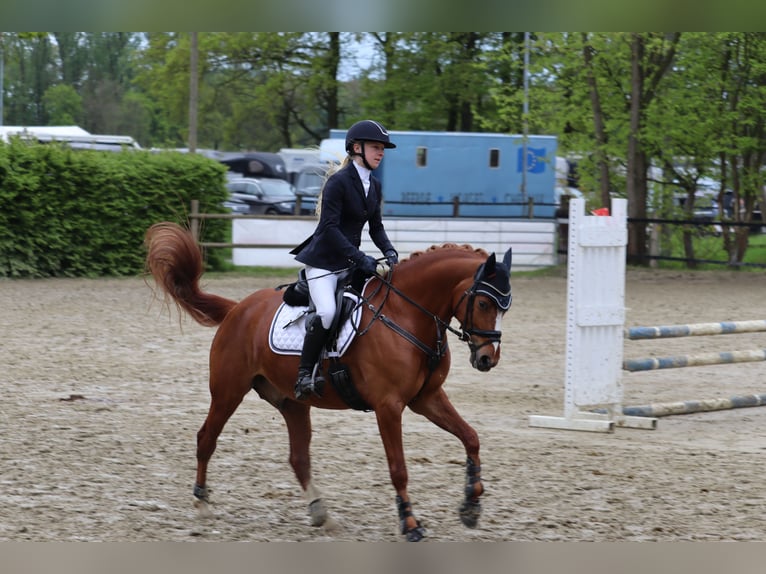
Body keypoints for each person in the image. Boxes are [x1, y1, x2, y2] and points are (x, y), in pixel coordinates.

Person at [289, 119, 399, 400]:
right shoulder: (338, 183)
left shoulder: (374, 186)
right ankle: (304, 375)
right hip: (324, 263)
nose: (381, 152)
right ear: (356, 148)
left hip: (351, 264)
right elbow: (329, 229)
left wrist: (389, 251)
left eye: (383, 148)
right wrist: (362, 258)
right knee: (326, 311)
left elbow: (376, 227)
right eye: (376, 147)